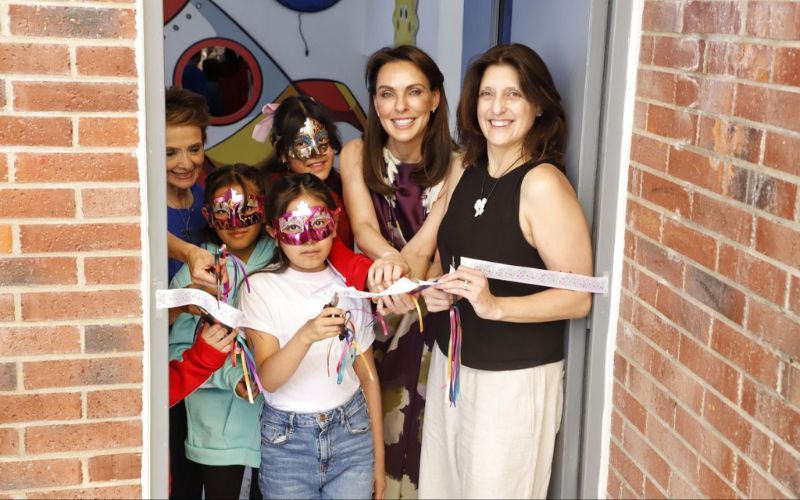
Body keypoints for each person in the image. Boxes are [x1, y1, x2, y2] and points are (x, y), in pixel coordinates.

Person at [418, 43, 593, 499]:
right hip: (451, 365)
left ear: (538, 106)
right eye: (486, 94)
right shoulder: (467, 171)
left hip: (511, 382)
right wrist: (435, 290)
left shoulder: (542, 183)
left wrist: (495, 306)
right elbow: (444, 258)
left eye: (513, 95)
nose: (497, 108)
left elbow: (577, 296)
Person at [339, 45, 457, 497]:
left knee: (421, 436)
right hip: (375, 305)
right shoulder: (355, 154)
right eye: (387, 94)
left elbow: (428, 244)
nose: (400, 106)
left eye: (413, 92)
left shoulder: (461, 163)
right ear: (375, 102)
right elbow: (365, 226)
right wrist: (388, 264)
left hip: (429, 306)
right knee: (371, 434)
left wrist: (404, 275)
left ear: (435, 99)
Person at [241, 173, 385, 499]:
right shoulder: (259, 288)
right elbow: (269, 380)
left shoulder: (349, 286)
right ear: (273, 232)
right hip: (287, 444)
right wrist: (306, 334)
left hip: (353, 434)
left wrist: (379, 460)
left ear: (334, 224)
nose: (308, 239)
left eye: (318, 224)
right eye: (293, 227)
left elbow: (367, 375)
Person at [169, 164, 273, 499]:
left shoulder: (288, 259)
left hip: (279, 432)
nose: (237, 222)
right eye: (224, 212)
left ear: (264, 207)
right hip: (217, 438)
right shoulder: (194, 273)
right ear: (207, 215)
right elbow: (176, 354)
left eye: (247, 210)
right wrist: (232, 378)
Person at [165, 86, 218, 288]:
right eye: (170, 153)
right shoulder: (143, 209)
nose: (186, 164)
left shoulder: (205, 199)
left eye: (194, 149)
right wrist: (189, 252)